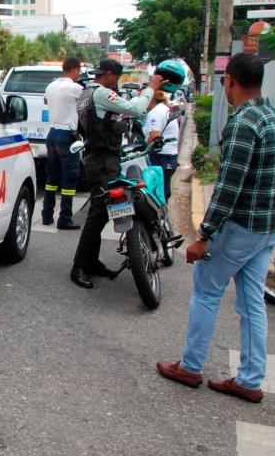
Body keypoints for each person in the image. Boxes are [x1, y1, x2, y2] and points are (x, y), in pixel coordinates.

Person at [157, 54, 275, 403]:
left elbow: (229, 187)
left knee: (207, 293)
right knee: (252, 305)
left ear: (231, 80)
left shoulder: (243, 123)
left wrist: (203, 236)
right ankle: (249, 379)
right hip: (267, 227)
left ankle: (190, 367)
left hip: (238, 228)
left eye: (224, 82)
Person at [69, 59, 163, 289]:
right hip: (102, 160)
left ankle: (91, 262)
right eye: (117, 78)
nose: (117, 82)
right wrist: (151, 88)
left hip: (98, 158)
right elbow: (136, 109)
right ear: (109, 74)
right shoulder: (101, 93)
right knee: (98, 213)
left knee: (101, 214)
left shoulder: (85, 93)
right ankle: (79, 267)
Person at [41, 57, 84, 229]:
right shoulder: (75, 88)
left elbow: (46, 101)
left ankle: (47, 215)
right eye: (79, 71)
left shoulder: (51, 86)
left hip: (52, 134)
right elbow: (87, 103)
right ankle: (65, 218)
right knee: (69, 177)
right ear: (75, 69)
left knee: (52, 177)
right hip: (67, 135)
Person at [143, 91, 180, 201]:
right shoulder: (163, 109)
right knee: (163, 190)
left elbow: (155, 136)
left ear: (151, 100)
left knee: (157, 193)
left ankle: (161, 210)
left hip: (161, 156)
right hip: (169, 156)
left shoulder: (155, 112)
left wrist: (142, 148)